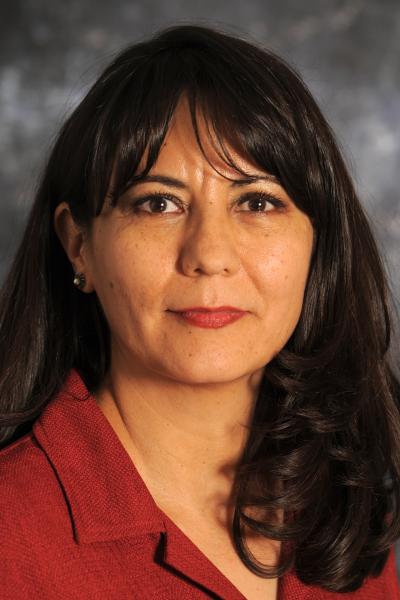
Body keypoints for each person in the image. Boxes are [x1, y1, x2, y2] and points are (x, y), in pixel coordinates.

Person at [0, 24, 399, 600]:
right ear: (78, 244)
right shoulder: (13, 533)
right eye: (158, 203)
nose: (210, 256)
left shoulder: (343, 513)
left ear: (319, 246)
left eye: (257, 202)